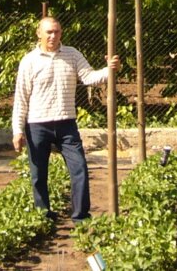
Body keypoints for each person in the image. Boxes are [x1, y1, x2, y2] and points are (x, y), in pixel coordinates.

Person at [11, 16, 120, 223]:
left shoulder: (72, 54)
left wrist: (109, 70)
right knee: (38, 174)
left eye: (57, 32)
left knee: (79, 168)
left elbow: (89, 77)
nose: (53, 36)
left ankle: (81, 216)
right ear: (39, 33)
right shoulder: (29, 61)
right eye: (49, 32)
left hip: (66, 123)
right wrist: (17, 130)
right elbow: (21, 97)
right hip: (37, 125)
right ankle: (43, 215)